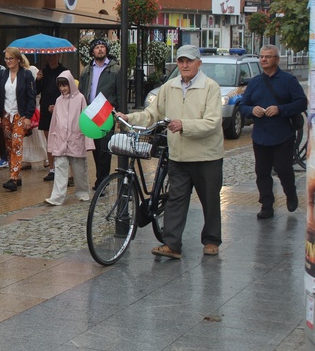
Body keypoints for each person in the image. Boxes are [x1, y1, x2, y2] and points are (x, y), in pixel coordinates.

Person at [117, 44, 223, 259]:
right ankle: (172, 244)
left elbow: (212, 122)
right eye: (181, 61)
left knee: (210, 200)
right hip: (179, 155)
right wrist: (130, 117)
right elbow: (152, 113)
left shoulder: (210, 87)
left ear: (198, 63)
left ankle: (211, 240)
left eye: (189, 61)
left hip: (206, 156)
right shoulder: (169, 87)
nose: (184, 65)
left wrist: (184, 125)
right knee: (176, 200)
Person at [238, 44, 307, 219]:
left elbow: (301, 103)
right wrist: (251, 110)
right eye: (261, 57)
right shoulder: (255, 82)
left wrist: (280, 109)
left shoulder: (288, 80)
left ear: (276, 59)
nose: (263, 60)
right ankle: (266, 205)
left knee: (283, 169)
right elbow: (243, 106)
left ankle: (291, 194)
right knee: (262, 172)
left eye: (268, 57)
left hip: (283, 134)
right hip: (260, 135)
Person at [44, 71, 93, 205]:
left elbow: (86, 119)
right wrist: (52, 143)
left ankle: (83, 192)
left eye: (65, 85)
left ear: (71, 84)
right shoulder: (58, 100)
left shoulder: (80, 98)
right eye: (60, 86)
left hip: (76, 139)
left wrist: (88, 142)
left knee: (79, 170)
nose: (63, 88)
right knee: (60, 168)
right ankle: (57, 197)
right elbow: (54, 122)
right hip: (61, 140)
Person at [79, 38, 121, 190]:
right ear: (92, 51)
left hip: (105, 112)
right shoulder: (87, 70)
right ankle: (100, 179)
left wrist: (120, 114)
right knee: (95, 150)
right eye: (97, 47)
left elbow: (119, 92)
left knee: (104, 150)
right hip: (90, 112)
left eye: (103, 47)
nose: (100, 50)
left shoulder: (115, 69)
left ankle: (102, 182)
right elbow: (82, 91)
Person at [0, 47, 36, 192]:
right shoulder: (3, 75)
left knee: (17, 144)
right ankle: (16, 176)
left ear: (18, 59)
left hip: (20, 114)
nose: (8, 61)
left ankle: (13, 178)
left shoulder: (26, 75)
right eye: (6, 58)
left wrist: (28, 116)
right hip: (6, 114)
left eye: (11, 58)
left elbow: (31, 97)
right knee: (9, 146)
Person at [37, 54, 67, 182]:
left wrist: (58, 106)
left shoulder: (64, 72)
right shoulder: (43, 72)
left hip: (60, 109)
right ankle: (52, 169)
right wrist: (38, 79)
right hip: (46, 110)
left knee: (61, 139)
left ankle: (63, 167)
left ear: (59, 56)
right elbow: (37, 91)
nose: (51, 58)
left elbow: (67, 92)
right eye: (48, 56)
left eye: (53, 56)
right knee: (49, 140)